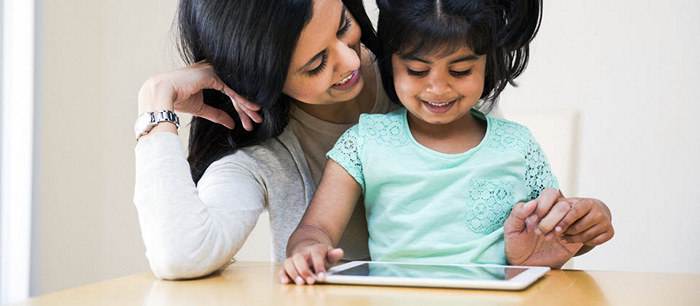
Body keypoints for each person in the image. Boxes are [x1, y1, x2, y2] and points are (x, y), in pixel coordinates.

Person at [134, 0, 612, 281]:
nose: (350, 60)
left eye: (344, 25)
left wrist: (558, 237)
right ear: (262, 79)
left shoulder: (440, 81)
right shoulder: (266, 156)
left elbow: (505, 238)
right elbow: (181, 254)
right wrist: (156, 102)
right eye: (315, 64)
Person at [280, 0, 614, 285]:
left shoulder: (518, 144)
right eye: (416, 70)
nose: (438, 88)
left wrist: (587, 224)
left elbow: (557, 232)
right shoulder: (364, 142)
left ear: (488, 65)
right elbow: (316, 228)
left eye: (460, 71)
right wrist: (307, 249)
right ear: (389, 62)